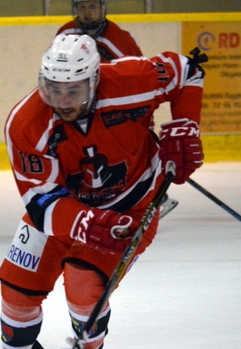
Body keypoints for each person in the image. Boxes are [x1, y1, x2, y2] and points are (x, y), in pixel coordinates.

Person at [0, 34, 204, 349]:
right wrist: (84, 222)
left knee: (83, 281)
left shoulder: (131, 79)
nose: (61, 101)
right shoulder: (25, 123)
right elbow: (40, 200)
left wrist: (186, 124)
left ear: (94, 81)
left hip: (132, 205)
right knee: (17, 285)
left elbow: (188, 70)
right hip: (66, 210)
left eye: (72, 91)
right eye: (52, 89)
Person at [57, 0, 179, 217]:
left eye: (92, 6)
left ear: (103, 8)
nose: (87, 12)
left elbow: (140, 81)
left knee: (122, 159)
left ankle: (152, 197)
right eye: (82, 7)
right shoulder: (65, 33)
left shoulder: (120, 40)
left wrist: (143, 123)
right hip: (80, 110)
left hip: (113, 112)